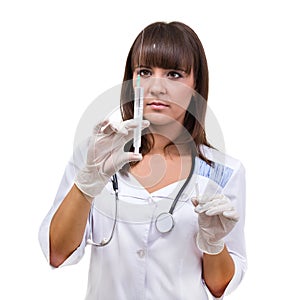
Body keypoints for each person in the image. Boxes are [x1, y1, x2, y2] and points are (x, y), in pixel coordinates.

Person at [39, 21, 247, 299]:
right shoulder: (98, 155)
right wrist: (87, 183)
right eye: (145, 72)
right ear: (132, 81)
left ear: (196, 85)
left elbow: (219, 286)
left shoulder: (224, 172)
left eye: (174, 74)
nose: (157, 87)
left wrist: (213, 243)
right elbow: (57, 253)